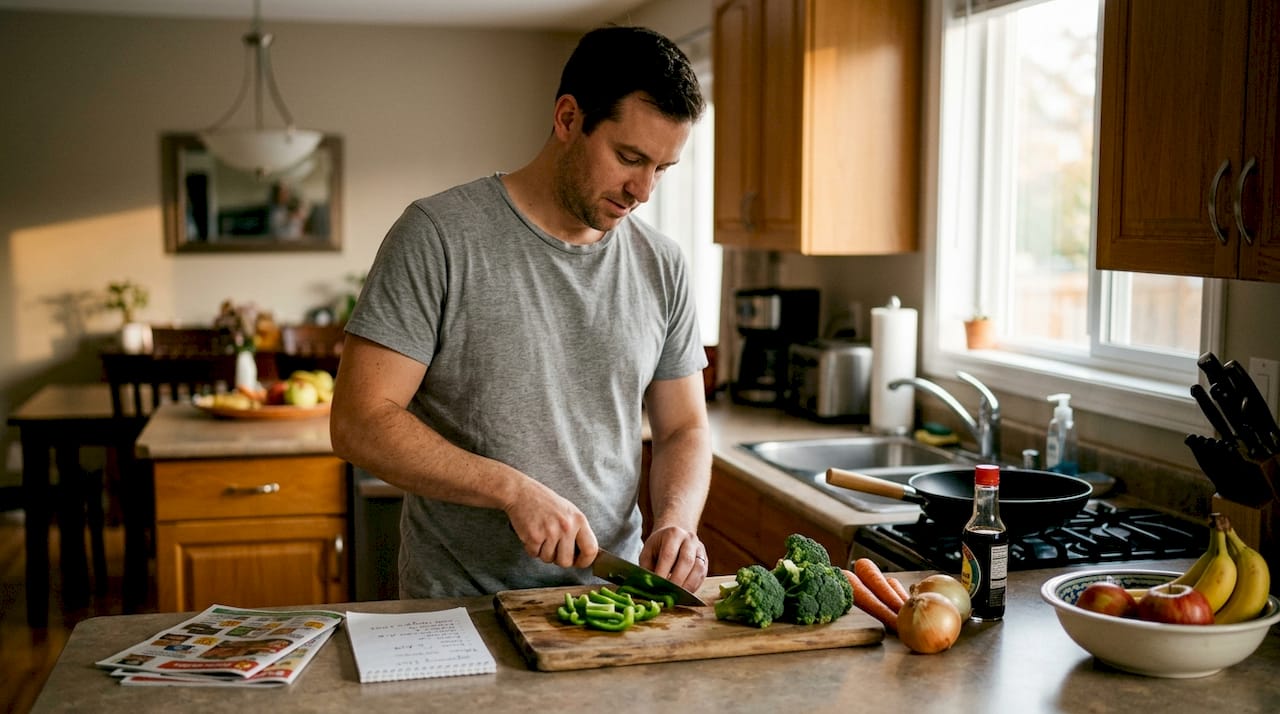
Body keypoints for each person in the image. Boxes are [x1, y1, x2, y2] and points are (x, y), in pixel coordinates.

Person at [330, 25, 712, 599]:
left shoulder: (663, 265)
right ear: (567, 118)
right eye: (629, 157)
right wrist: (511, 489)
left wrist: (677, 522)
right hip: (461, 605)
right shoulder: (438, 236)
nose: (643, 191)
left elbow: (683, 427)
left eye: (662, 169)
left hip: (615, 600)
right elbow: (359, 421)